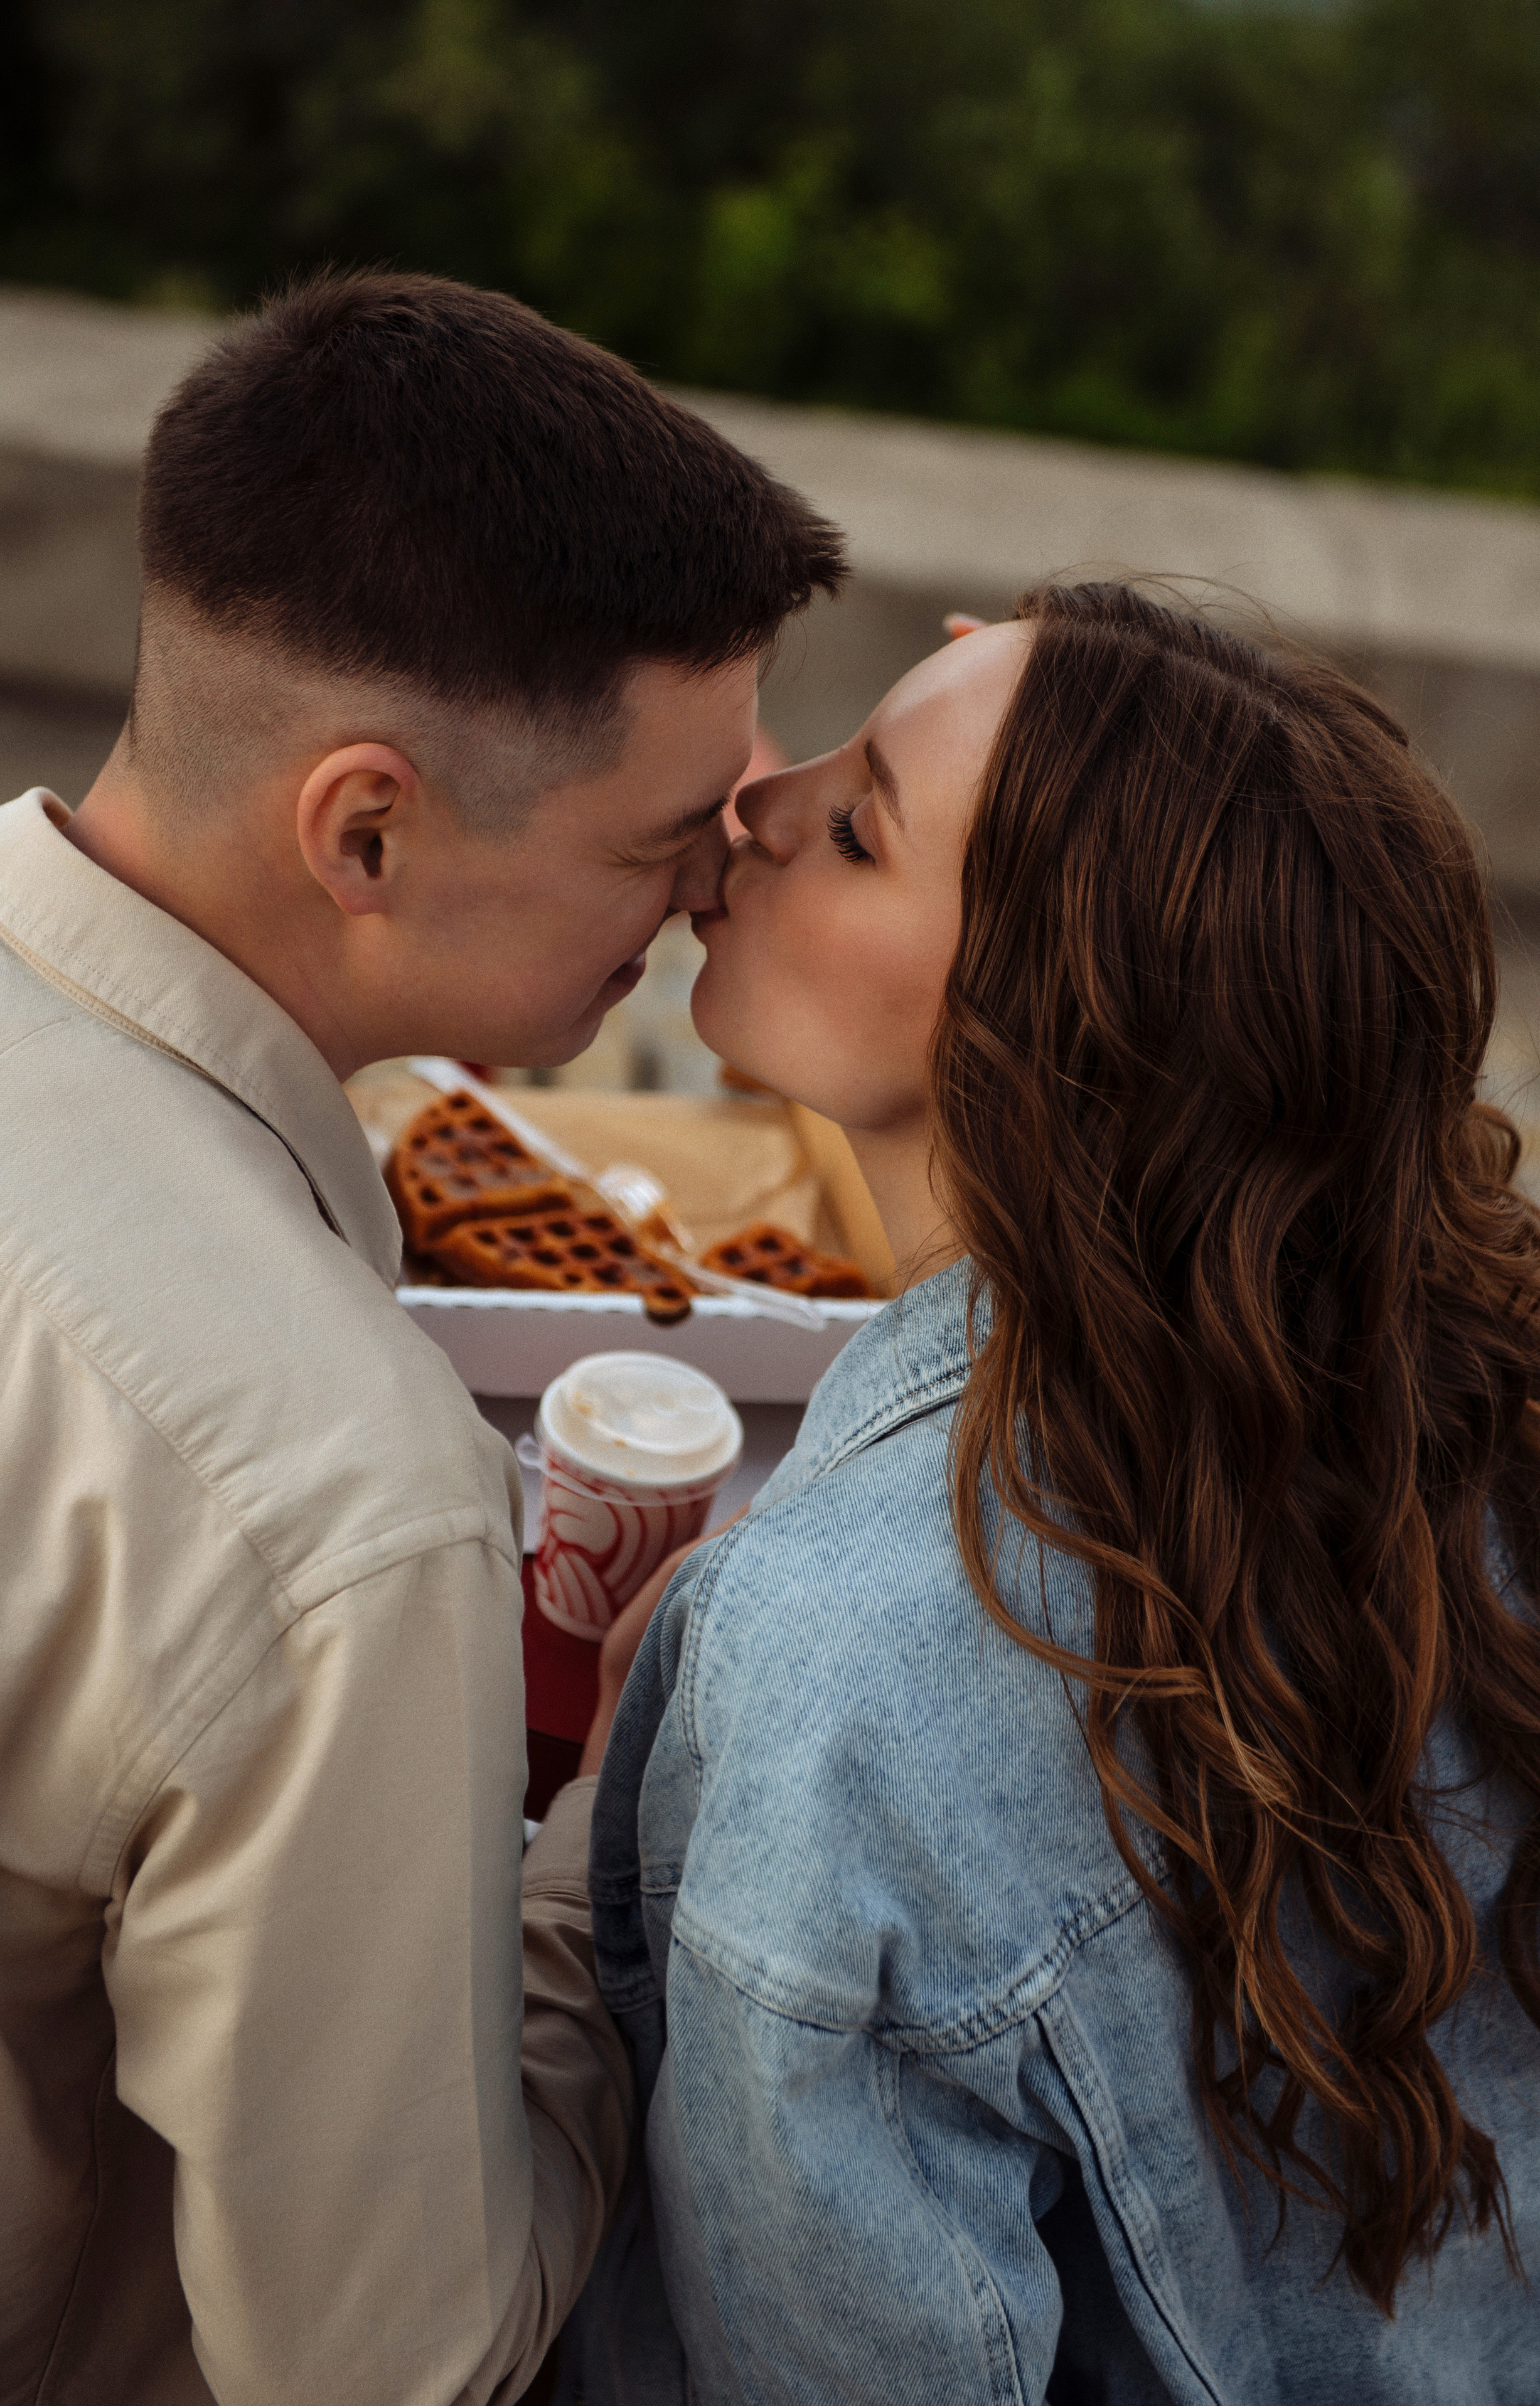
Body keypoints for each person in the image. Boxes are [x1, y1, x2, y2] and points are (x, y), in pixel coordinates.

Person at [572, 585, 1540, 2403]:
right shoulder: (1461, 1451)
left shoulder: (826, 1677)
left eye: (863, 823)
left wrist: (603, 1794)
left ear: (1044, 1033)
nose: (759, 801)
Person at [0, 268, 842, 2405]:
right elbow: (396, 2366)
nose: (701, 897)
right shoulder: (337, 1510)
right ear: (365, 827)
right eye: (655, 839)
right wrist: (592, 1850)